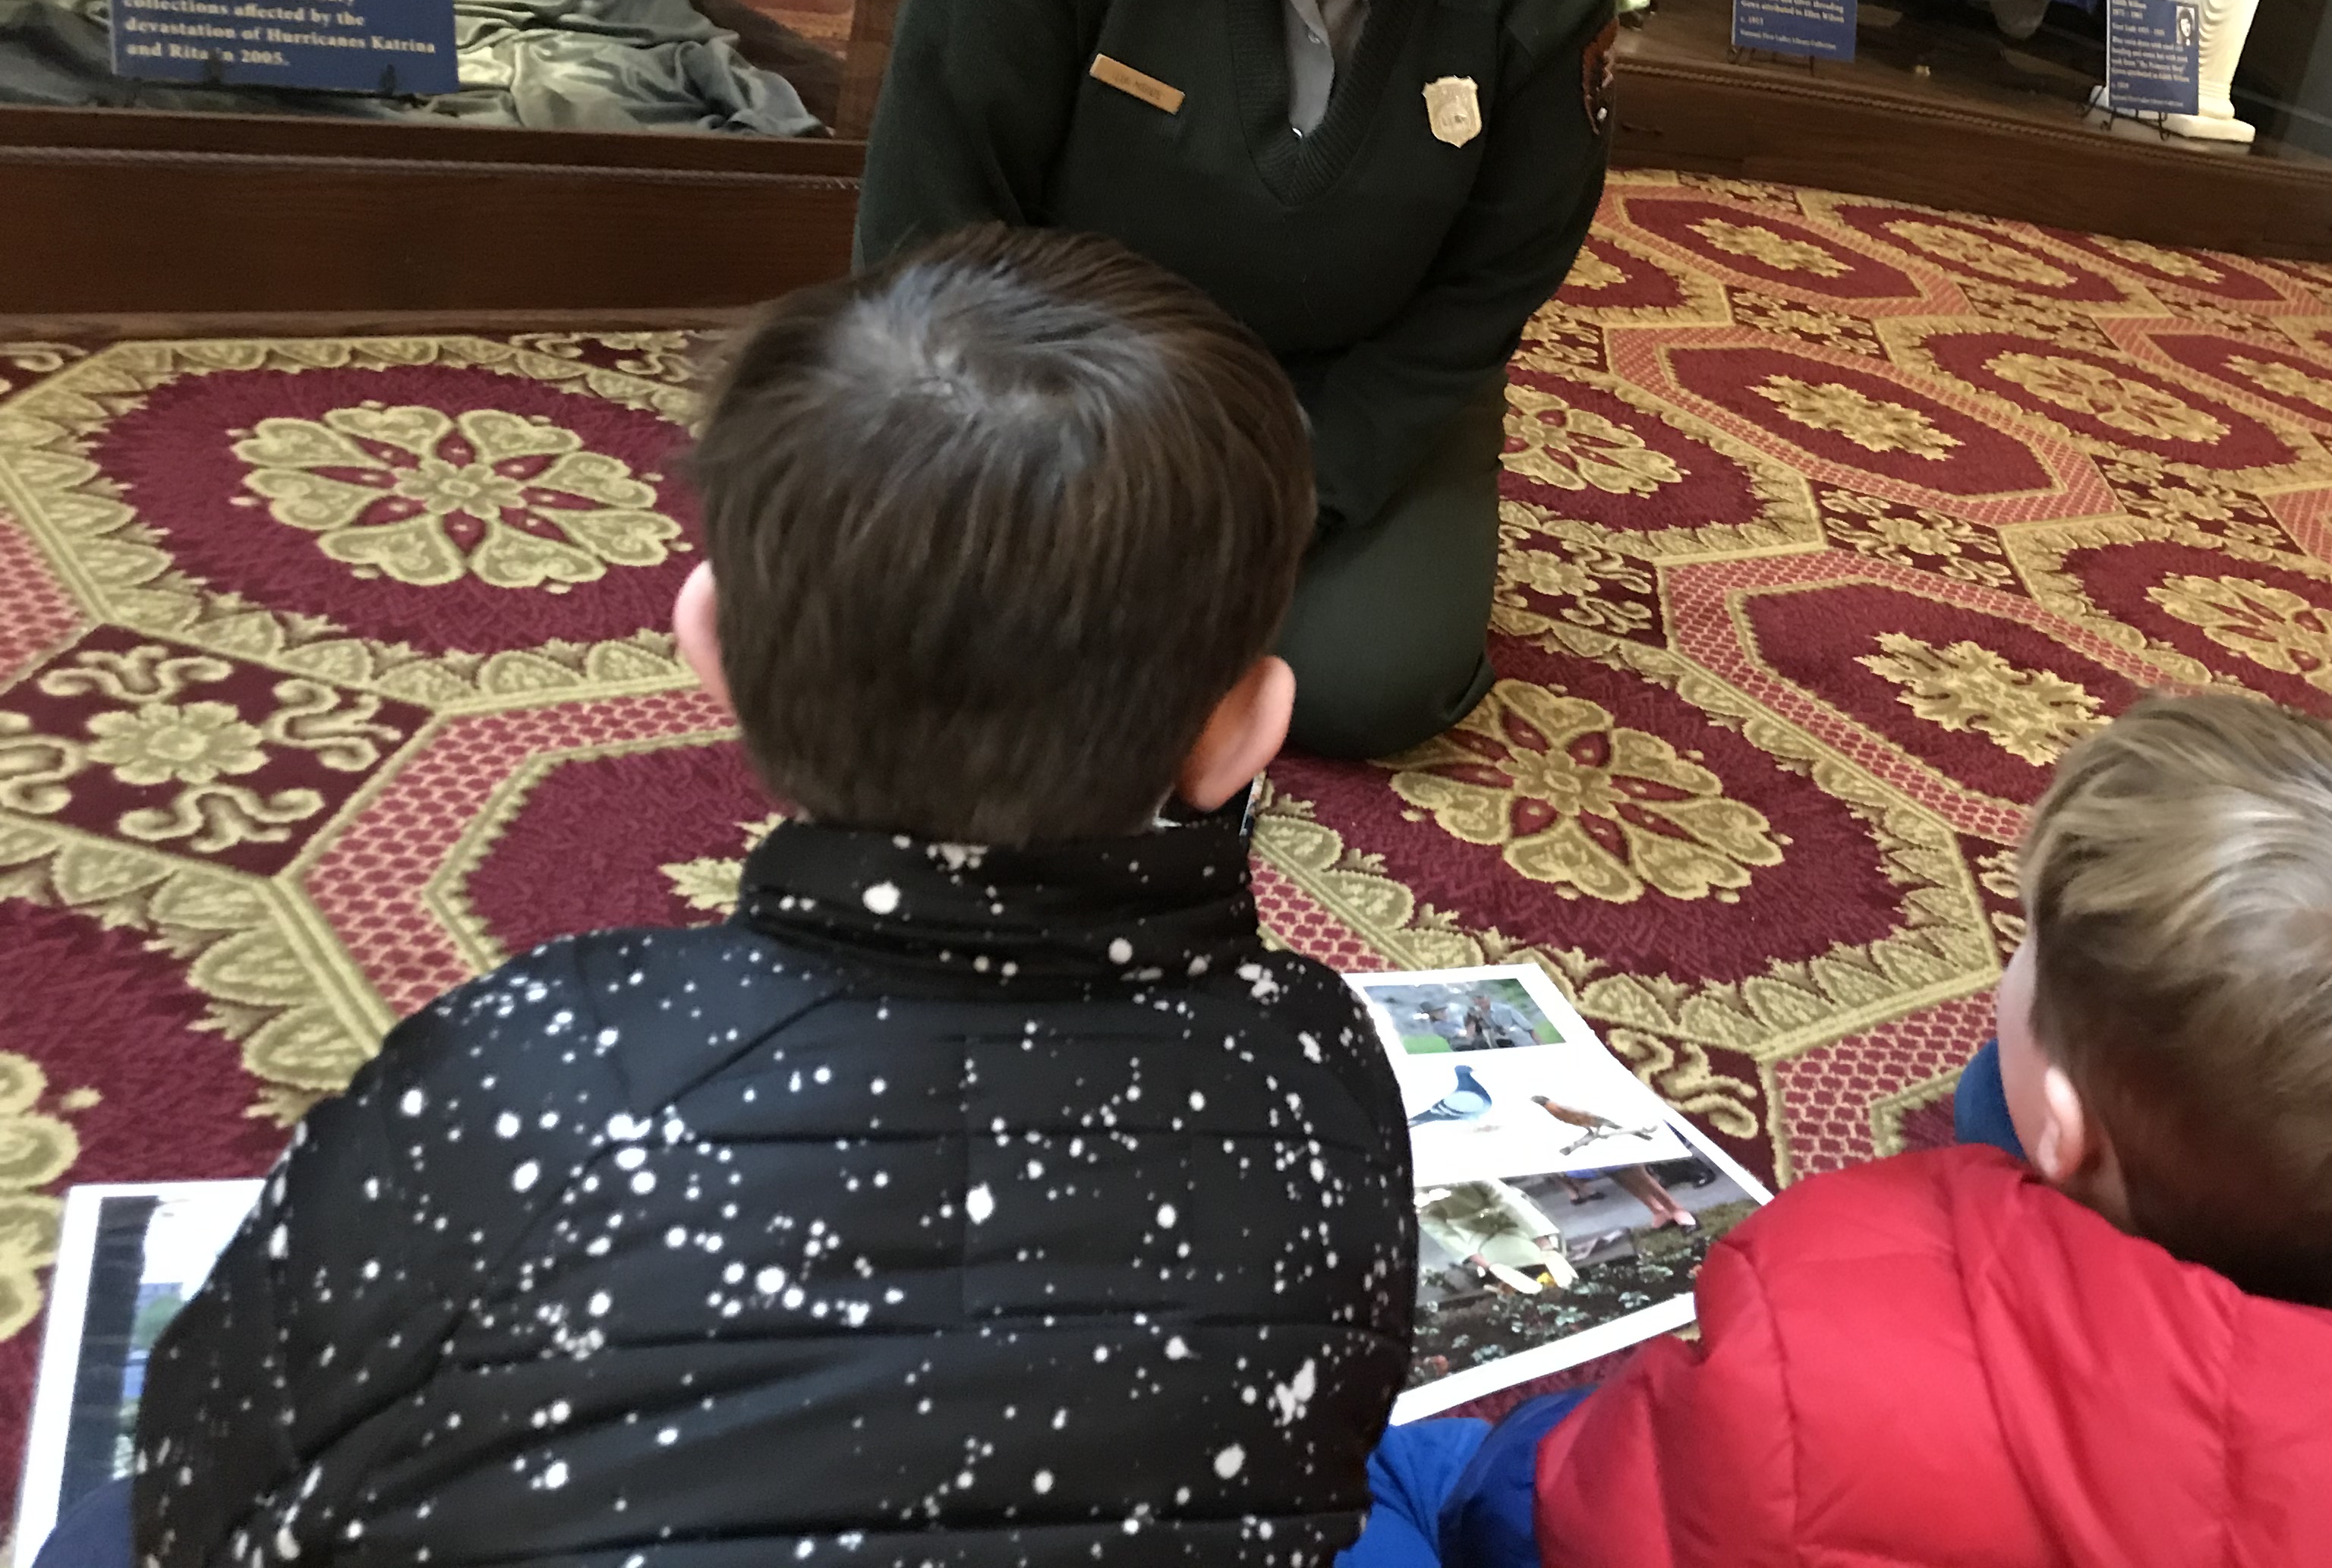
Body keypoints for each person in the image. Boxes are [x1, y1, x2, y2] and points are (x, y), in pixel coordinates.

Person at [115, 227, 1417, 1568]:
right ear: (1248, 732)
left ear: (707, 640)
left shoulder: (541, 1057)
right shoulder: (1322, 1057)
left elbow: (195, 1480)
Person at [1347, 695, 2332, 1568]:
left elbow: (1577, 1512)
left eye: (2023, 955)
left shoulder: (1827, 1323)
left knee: (1373, 1478)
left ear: (2057, 1120)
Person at [857, 0, 1625, 761]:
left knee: (1367, 679)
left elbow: (1485, 290)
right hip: (1057, 372)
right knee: (917, 597)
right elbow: (933, 208)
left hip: (1338, 394)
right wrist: (1033, 462)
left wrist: (1281, 491)